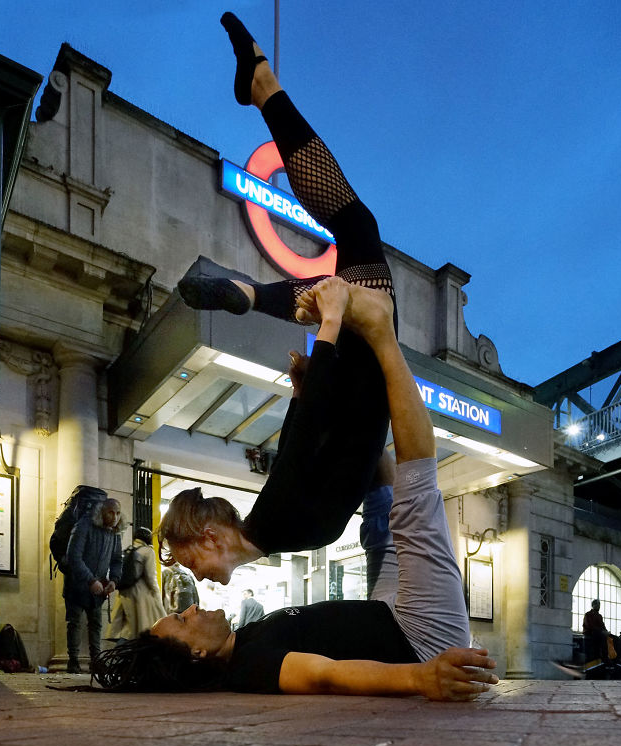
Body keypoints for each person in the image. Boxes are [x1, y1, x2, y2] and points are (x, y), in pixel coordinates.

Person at [94, 283, 498, 703]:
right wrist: (422, 678)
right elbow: (326, 675)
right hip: (420, 637)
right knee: (415, 499)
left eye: (181, 610)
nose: (190, 605)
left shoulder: (246, 641)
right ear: (196, 653)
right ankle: (381, 333)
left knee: (380, 504)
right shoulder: (250, 666)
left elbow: (294, 452)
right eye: (180, 618)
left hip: (389, 611)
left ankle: (368, 410)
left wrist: (311, 399)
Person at [157, 11, 398, 586]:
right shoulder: (274, 524)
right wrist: (307, 384)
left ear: (211, 536)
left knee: (358, 228)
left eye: (193, 561)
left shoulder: (278, 520)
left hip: (360, 374)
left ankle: (263, 87)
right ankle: (252, 293)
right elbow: (303, 441)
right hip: (358, 381)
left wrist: (330, 334)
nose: (202, 577)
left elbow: (305, 439)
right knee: (356, 228)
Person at [63, 498, 124, 672]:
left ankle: (96, 661)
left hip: (98, 586)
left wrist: (114, 579)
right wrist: (90, 579)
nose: (115, 517)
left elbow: (117, 560)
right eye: (111, 512)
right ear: (102, 512)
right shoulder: (84, 526)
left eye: (118, 513)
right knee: (74, 622)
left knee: (96, 623)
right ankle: (73, 661)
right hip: (76, 583)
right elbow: (73, 556)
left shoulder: (115, 533)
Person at [107, 526, 166, 642]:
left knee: (126, 629)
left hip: (124, 593)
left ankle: (120, 654)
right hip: (140, 596)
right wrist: (157, 596)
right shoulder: (148, 551)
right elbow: (150, 577)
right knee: (144, 629)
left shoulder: (127, 551)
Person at [582, 597, 610, 662]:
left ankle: (615, 657)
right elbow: (589, 626)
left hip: (598, 632)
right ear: (593, 605)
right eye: (597, 605)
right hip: (589, 632)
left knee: (614, 638)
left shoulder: (599, 616)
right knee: (601, 635)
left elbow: (603, 626)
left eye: (599, 605)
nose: (599, 606)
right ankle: (604, 656)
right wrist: (602, 631)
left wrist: (606, 632)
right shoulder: (588, 614)